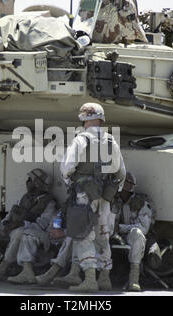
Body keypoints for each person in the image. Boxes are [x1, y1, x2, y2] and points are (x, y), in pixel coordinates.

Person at [61, 102, 126, 292]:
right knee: (102, 236)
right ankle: (105, 278)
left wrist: (71, 183)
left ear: (84, 119)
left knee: (83, 236)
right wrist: (111, 191)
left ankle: (89, 279)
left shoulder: (81, 140)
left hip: (84, 196)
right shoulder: (110, 141)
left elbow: (67, 167)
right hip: (105, 195)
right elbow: (120, 171)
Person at [111, 172, 155, 292]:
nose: (122, 191)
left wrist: (120, 228)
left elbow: (144, 228)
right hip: (115, 236)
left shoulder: (141, 203)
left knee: (137, 233)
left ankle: (134, 279)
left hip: (132, 237)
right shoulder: (114, 201)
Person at [6, 200, 62, 284]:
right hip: (50, 234)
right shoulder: (25, 198)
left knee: (26, 233)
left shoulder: (49, 202)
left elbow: (42, 224)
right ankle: (27, 271)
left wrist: (23, 223)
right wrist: (7, 223)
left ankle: (9, 267)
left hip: (57, 236)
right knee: (26, 234)